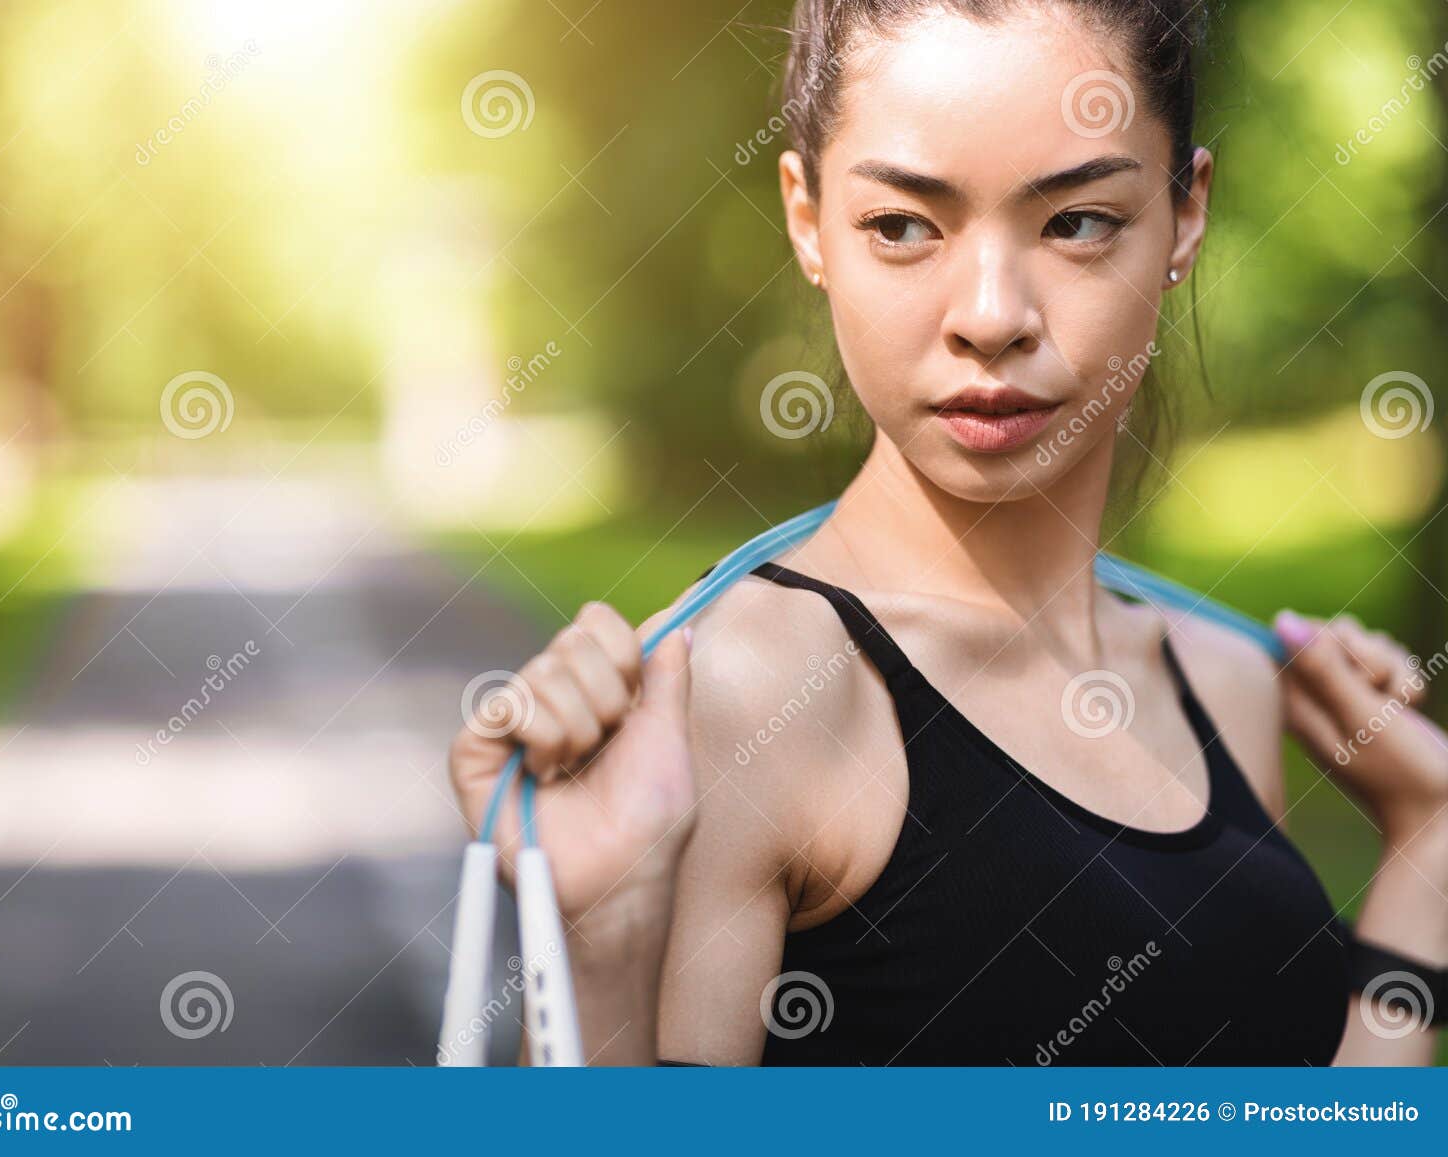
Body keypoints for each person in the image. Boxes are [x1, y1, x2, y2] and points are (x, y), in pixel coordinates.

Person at [449, 0, 1448, 1065]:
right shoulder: (743, 693)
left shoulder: (1230, 684)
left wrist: (1430, 847)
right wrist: (607, 942)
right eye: (901, 226)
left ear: (1184, 215)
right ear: (806, 218)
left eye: (1076, 222)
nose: (989, 314)